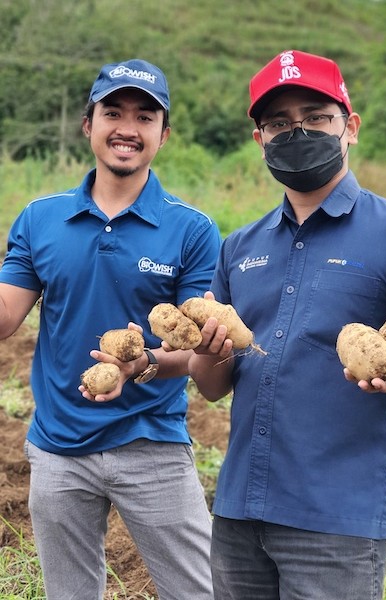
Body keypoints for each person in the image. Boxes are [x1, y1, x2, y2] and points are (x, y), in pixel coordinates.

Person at [187, 50, 386, 600]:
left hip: (334, 521)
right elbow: (213, 388)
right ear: (259, 140)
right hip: (237, 513)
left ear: (349, 127)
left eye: (315, 116)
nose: (296, 131)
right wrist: (208, 349)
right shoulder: (240, 246)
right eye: (278, 123)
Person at [0, 59, 221, 600]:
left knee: (203, 591)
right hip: (57, 446)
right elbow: (6, 317)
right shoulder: (39, 218)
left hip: (152, 441)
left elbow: (194, 352)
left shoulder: (191, 229)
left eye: (145, 117)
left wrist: (139, 364)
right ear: (89, 124)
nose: (127, 127)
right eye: (113, 112)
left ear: (162, 135)